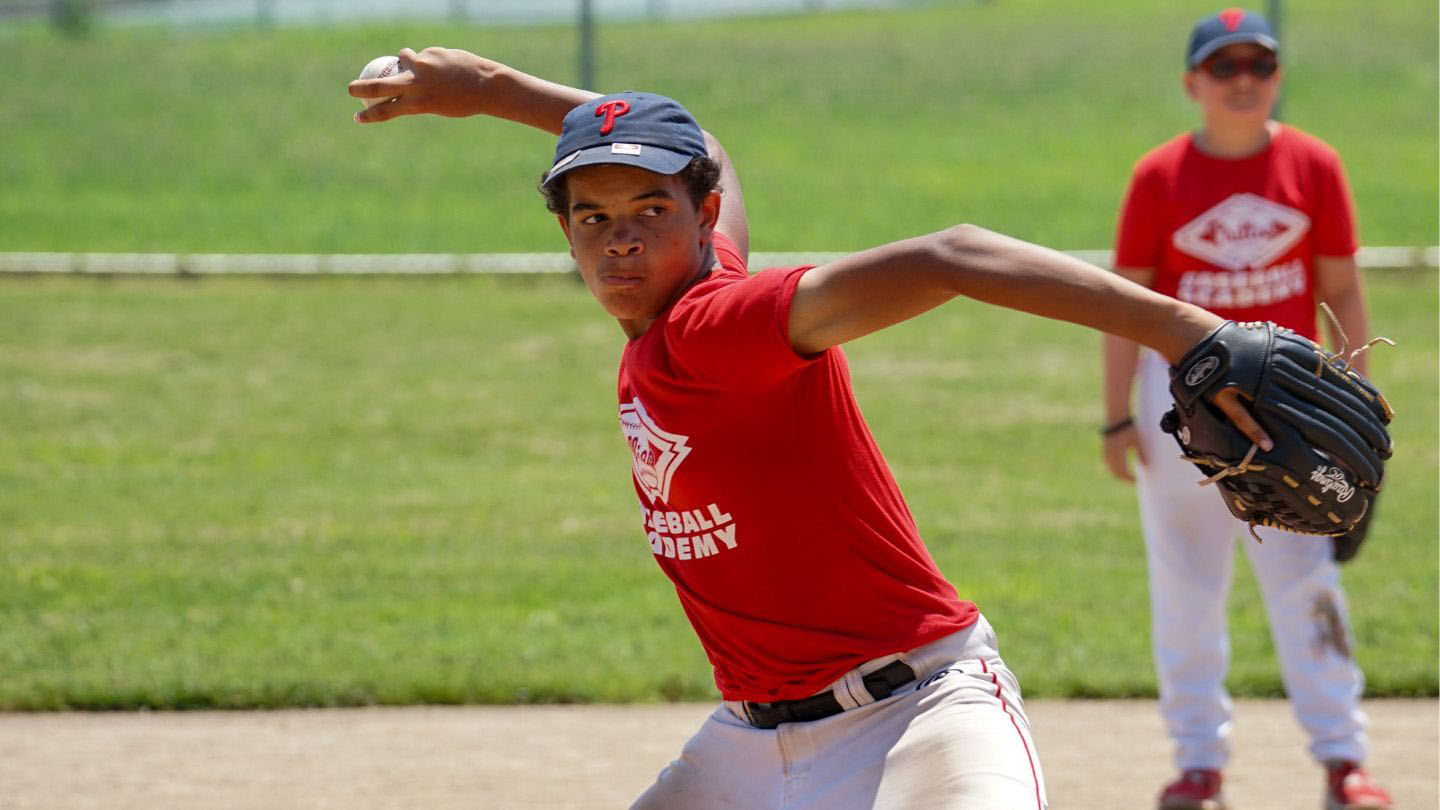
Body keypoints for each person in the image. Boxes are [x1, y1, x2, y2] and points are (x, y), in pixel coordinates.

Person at [351, 47, 1274, 810]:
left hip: (918, 717)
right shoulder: (682, 297)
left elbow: (953, 255)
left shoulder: (719, 325)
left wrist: (1191, 331)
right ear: (566, 234)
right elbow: (703, 142)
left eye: (649, 211)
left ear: (701, 215)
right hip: (749, 748)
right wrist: (494, 93)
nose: (620, 239)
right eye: (592, 217)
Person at [1101, 9, 1392, 810]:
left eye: (1257, 65)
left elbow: (1340, 287)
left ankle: (1343, 759)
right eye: (1221, 66)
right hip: (1181, 408)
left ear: (1277, 78)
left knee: (1306, 580)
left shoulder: (1314, 165)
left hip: (1296, 404)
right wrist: (1116, 415)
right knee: (1187, 582)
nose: (1241, 79)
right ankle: (1198, 762)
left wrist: (1359, 392)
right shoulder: (1158, 176)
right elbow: (1122, 305)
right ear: (1192, 83)